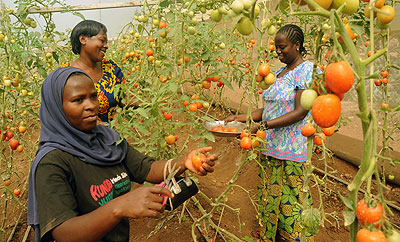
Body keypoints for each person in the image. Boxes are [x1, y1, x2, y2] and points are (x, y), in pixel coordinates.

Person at [27, 66, 218, 242]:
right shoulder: (51, 163)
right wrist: (119, 207)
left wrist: (184, 162)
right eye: (78, 100)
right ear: (56, 109)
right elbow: (64, 232)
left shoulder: (107, 139)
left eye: (93, 97)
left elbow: (146, 168)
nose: (91, 105)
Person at [226, 24, 315, 242]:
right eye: (276, 47)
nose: (278, 51)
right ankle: (271, 236)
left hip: (291, 149)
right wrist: (243, 118)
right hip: (269, 146)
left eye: (283, 47)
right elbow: (269, 108)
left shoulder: (306, 70)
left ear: (297, 45)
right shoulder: (277, 73)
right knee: (269, 196)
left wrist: (263, 126)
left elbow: (300, 112)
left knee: (291, 201)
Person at [61, 19, 136, 124]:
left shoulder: (111, 68)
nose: (106, 46)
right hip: (75, 138)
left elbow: (123, 100)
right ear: (83, 39)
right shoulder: (65, 74)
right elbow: (56, 111)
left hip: (105, 136)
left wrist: (150, 102)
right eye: (102, 40)